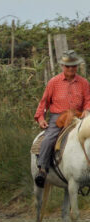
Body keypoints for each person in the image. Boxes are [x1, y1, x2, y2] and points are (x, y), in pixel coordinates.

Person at [34, 50, 90, 188]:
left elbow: (88, 100)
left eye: (73, 66)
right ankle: (42, 169)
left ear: (77, 66)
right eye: (68, 66)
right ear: (62, 66)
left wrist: (87, 110)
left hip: (78, 117)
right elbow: (44, 103)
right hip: (58, 118)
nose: (71, 69)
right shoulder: (54, 82)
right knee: (48, 139)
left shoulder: (83, 83)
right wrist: (40, 118)